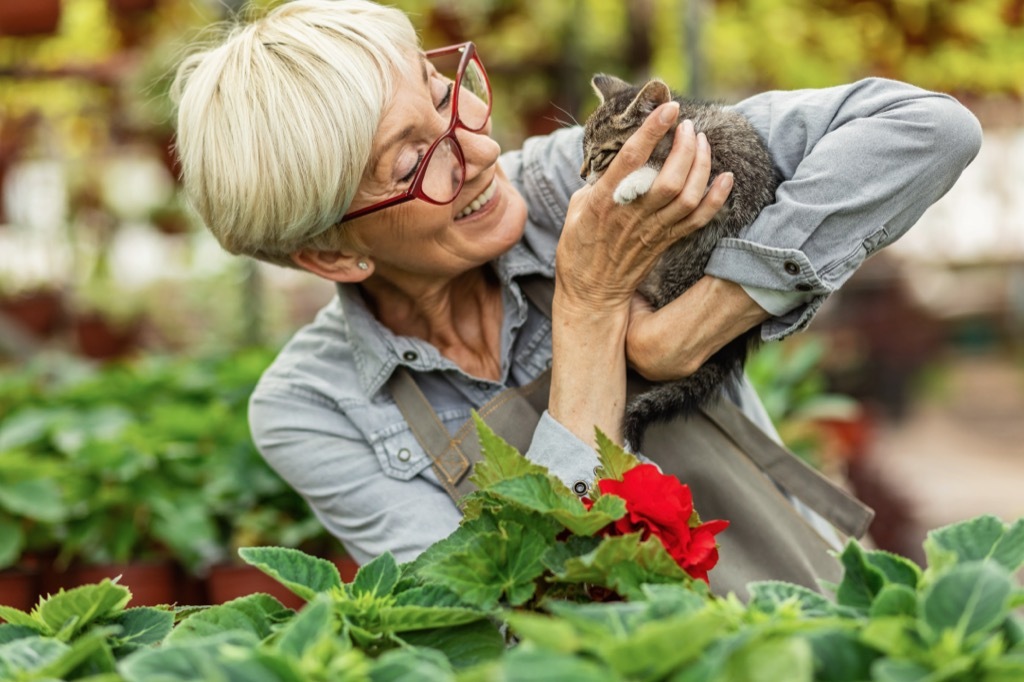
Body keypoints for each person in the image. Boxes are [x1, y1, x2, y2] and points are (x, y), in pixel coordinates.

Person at [171, 0, 982, 567]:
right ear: (334, 255)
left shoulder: (587, 183)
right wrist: (591, 308)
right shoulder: (313, 409)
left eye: (446, 92)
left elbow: (925, 129)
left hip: (797, 628)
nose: (483, 153)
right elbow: (502, 629)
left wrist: (691, 324)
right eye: (415, 158)